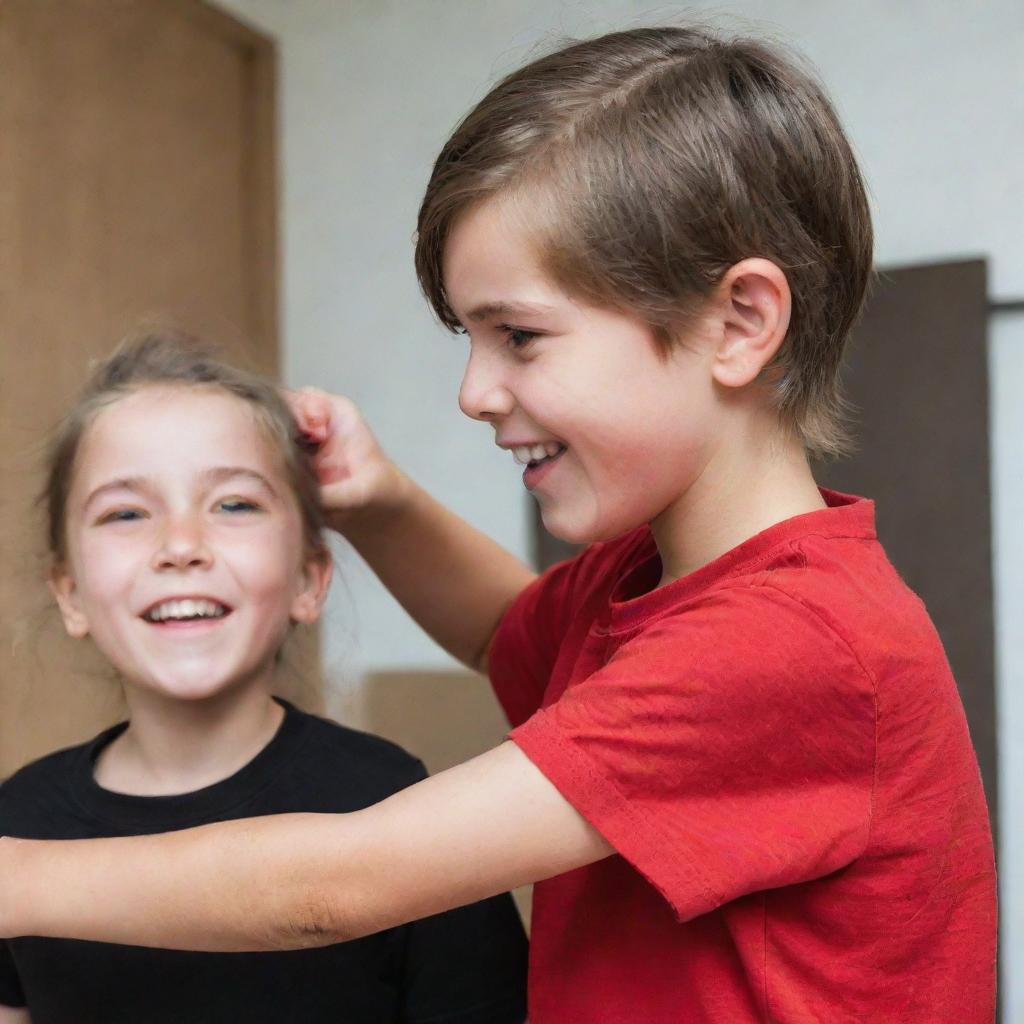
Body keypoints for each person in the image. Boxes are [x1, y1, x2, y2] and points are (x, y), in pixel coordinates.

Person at [0, 24, 996, 1023]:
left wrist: (19, 882)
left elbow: (337, 884)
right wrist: (380, 501)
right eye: (470, 341)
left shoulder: (792, 644)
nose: (476, 392)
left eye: (517, 336)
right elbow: (500, 630)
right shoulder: (647, 587)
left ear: (735, 323)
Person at [0, 334, 528, 1023]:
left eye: (234, 505)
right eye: (126, 513)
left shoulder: (393, 807)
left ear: (310, 579)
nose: (182, 546)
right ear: (69, 594)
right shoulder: (20, 818)